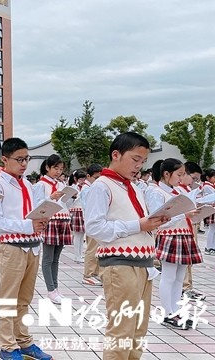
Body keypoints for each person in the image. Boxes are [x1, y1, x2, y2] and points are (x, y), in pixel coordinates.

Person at [85, 132, 168, 360]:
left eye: (143, 161)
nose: (138, 166)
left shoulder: (134, 188)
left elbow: (138, 224)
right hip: (120, 265)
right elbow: (94, 228)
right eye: (135, 159)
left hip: (144, 264)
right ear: (116, 154)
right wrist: (139, 225)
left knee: (138, 332)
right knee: (121, 331)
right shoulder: (102, 186)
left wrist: (154, 223)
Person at [0, 138, 52, 360]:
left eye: (27, 159)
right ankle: (7, 346)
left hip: (33, 246)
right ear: (5, 159)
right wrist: (27, 225)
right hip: (11, 247)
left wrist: (41, 219)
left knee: (24, 299)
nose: (24, 164)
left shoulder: (28, 185)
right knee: (6, 299)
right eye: (19, 159)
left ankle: (23, 341)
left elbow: (30, 213)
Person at [145, 159, 202, 330]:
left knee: (179, 278)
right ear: (166, 174)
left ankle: (176, 311)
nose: (181, 178)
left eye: (183, 174)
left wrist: (193, 214)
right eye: (179, 174)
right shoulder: (155, 192)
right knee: (168, 277)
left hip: (183, 234)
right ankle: (168, 313)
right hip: (169, 235)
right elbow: (159, 221)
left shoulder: (176, 191)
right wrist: (184, 215)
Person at [33, 154, 73, 305]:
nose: (58, 171)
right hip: (50, 220)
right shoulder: (41, 185)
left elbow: (64, 204)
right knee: (48, 258)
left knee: (56, 259)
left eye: (61, 169)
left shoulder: (61, 184)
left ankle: (55, 289)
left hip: (62, 219)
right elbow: (37, 205)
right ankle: (51, 290)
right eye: (55, 168)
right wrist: (51, 197)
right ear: (47, 167)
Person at [180, 162, 206, 301]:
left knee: (188, 260)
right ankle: (184, 288)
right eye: (193, 178)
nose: (194, 182)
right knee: (184, 260)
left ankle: (188, 286)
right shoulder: (179, 190)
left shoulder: (186, 190)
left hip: (191, 225)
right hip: (181, 229)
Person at [80, 164, 104, 286]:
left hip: (99, 223)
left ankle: (95, 273)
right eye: (95, 178)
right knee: (92, 249)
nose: (98, 180)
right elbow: (88, 206)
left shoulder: (95, 188)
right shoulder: (86, 189)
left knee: (98, 249)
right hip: (92, 222)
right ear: (88, 176)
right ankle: (88, 274)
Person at [68, 169, 87, 264]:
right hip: (76, 211)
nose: (83, 181)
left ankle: (79, 254)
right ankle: (77, 255)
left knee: (82, 235)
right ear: (76, 179)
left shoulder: (85, 187)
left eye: (84, 178)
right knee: (77, 235)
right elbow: (69, 201)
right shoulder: (73, 188)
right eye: (81, 179)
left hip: (83, 212)